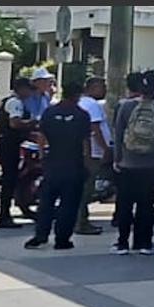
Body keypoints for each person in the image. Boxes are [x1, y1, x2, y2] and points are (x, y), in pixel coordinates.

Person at [24, 81, 91, 251]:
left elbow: (41, 137)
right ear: (78, 96)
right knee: (69, 204)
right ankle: (62, 239)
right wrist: (87, 163)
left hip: (52, 163)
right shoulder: (82, 115)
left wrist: (42, 156)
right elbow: (85, 142)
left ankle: (41, 235)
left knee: (46, 202)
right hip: (73, 164)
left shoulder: (49, 112)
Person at [112, 70, 154, 255]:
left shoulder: (126, 107)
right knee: (146, 205)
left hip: (127, 164)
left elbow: (118, 134)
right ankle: (144, 242)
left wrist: (117, 158)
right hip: (150, 165)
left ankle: (122, 242)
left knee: (124, 203)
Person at [0, 77, 37, 227]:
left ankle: (15, 211)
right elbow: (15, 123)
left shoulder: (9, 100)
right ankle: (4, 216)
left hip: (7, 144)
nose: (30, 92)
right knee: (9, 181)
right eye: (29, 89)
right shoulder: (15, 103)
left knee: (12, 179)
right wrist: (33, 123)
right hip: (8, 145)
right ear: (21, 88)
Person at [76, 76, 110, 235]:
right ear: (92, 87)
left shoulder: (81, 103)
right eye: (101, 86)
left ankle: (81, 219)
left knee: (82, 187)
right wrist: (105, 149)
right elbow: (95, 129)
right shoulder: (92, 104)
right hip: (92, 153)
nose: (104, 89)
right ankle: (81, 222)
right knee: (87, 188)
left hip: (81, 152)